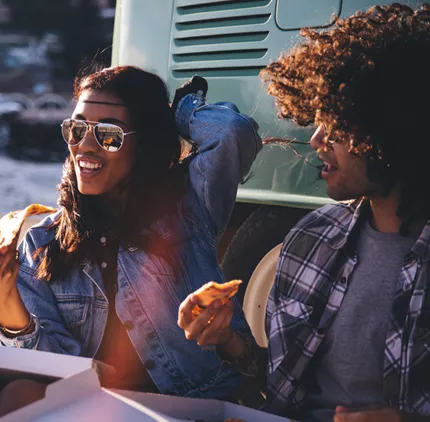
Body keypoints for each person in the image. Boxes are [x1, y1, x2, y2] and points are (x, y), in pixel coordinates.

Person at [0, 66, 262, 421]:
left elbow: (231, 132)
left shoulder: (188, 207)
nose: (85, 146)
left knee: (21, 397)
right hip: (91, 406)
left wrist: (177, 110)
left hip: (182, 407)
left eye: (109, 134)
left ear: (144, 143)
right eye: (76, 129)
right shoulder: (42, 240)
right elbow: (51, 370)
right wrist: (5, 305)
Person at [178, 4, 430, 422]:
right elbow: (278, 389)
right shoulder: (311, 238)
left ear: (396, 128)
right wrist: (227, 341)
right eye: (318, 119)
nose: (314, 140)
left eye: (337, 124)